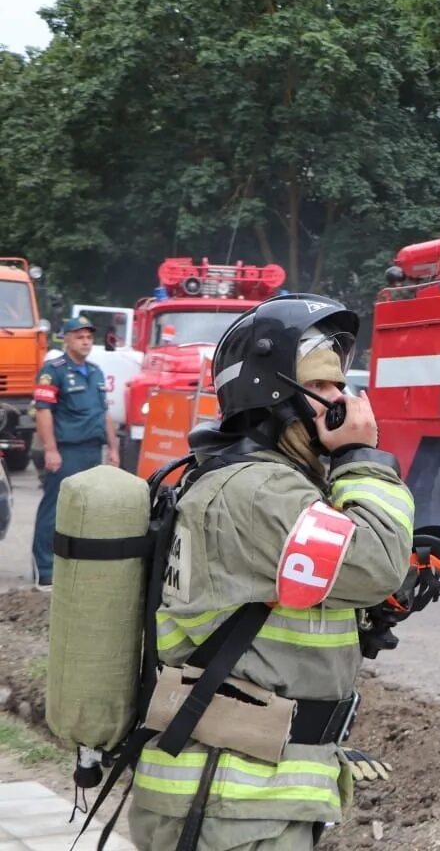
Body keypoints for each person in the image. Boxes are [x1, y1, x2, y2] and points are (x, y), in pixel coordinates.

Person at [128, 294, 415, 851]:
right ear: (276, 397)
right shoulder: (260, 491)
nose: (345, 400)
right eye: (328, 388)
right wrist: (361, 455)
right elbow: (376, 561)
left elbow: (287, 600)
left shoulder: (261, 486)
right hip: (228, 803)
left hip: (245, 797)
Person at [31, 316, 118, 589]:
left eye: (89, 337)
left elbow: (104, 414)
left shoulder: (95, 372)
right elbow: (43, 412)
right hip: (66, 452)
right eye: (79, 336)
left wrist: (113, 449)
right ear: (66, 339)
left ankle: (76, 565)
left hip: (93, 451)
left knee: (86, 511)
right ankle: (45, 570)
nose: (86, 341)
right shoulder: (52, 370)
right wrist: (51, 450)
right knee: (55, 509)